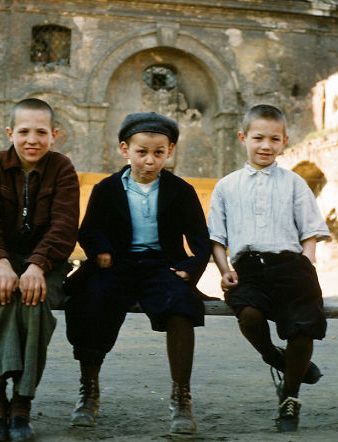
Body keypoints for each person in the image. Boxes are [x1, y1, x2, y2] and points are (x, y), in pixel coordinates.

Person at [63, 112, 211, 435]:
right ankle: (89, 389)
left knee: (181, 305)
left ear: (169, 151)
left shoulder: (180, 190)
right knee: (91, 300)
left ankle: (181, 396)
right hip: (116, 265)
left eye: (158, 153)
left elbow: (201, 240)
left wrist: (189, 269)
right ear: (124, 150)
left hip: (162, 265)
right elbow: (89, 230)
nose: (149, 160)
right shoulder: (107, 188)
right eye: (141, 152)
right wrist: (100, 250)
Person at [208, 104, 331, 432]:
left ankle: (290, 399)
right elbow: (217, 238)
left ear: (285, 141)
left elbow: (310, 230)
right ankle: (273, 357)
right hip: (248, 267)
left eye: (274, 139)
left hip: (291, 266)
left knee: (303, 327)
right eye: (258, 137)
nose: (266, 145)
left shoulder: (293, 183)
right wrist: (224, 270)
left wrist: (307, 259)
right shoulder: (226, 186)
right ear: (242, 137)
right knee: (248, 313)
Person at [0, 98, 80, 442]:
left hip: (46, 263)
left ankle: (21, 404)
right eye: (24, 131)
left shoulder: (62, 169)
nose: (32, 140)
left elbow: (64, 226)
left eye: (41, 132)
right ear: (10, 133)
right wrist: (0, 264)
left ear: (55, 135)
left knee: (34, 303)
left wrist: (38, 265)